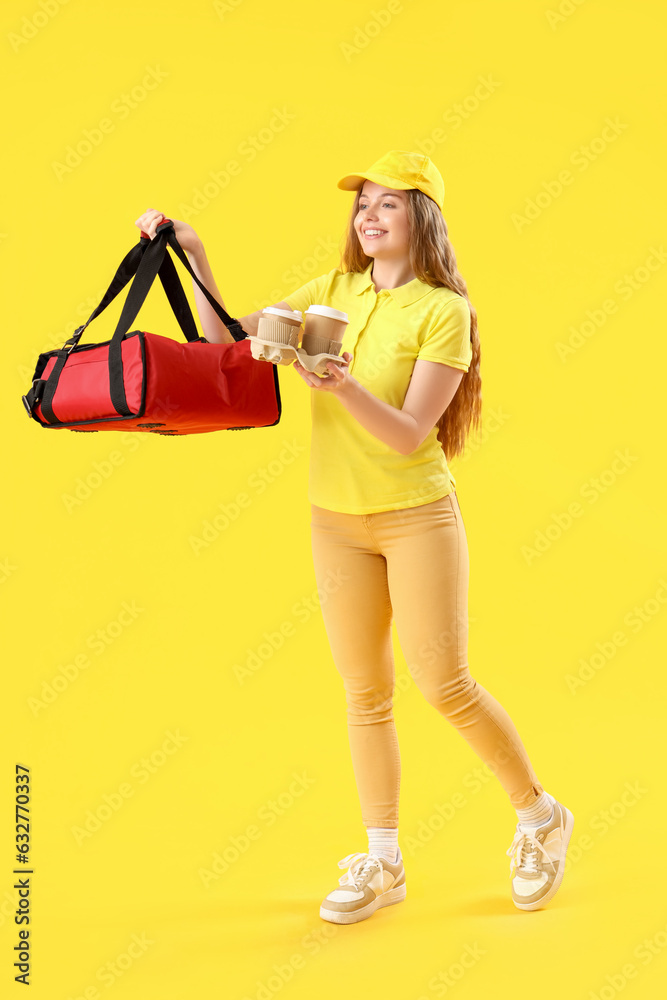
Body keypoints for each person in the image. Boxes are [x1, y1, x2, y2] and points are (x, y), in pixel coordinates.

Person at [134, 149, 574, 924]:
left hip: (415, 515)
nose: (367, 216)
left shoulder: (443, 311)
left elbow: (407, 435)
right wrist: (194, 253)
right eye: (361, 204)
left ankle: (539, 817)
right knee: (364, 695)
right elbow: (231, 346)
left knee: (443, 685)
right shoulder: (330, 292)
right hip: (333, 520)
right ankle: (383, 861)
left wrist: (337, 382)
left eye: (386, 205)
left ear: (421, 220)